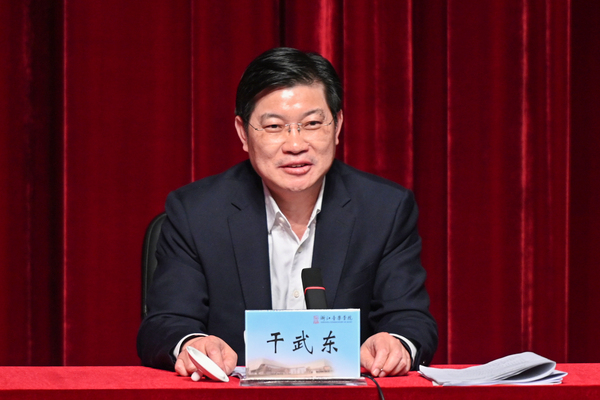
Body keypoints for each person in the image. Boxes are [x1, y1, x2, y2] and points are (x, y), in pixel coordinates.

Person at [137, 47, 437, 379]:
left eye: (312, 124)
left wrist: (396, 344)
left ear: (337, 125)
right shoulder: (197, 213)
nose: (295, 145)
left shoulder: (384, 209)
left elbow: (411, 319)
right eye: (274, 126)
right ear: (243, 133)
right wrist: (193, 344)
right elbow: (165, 323)